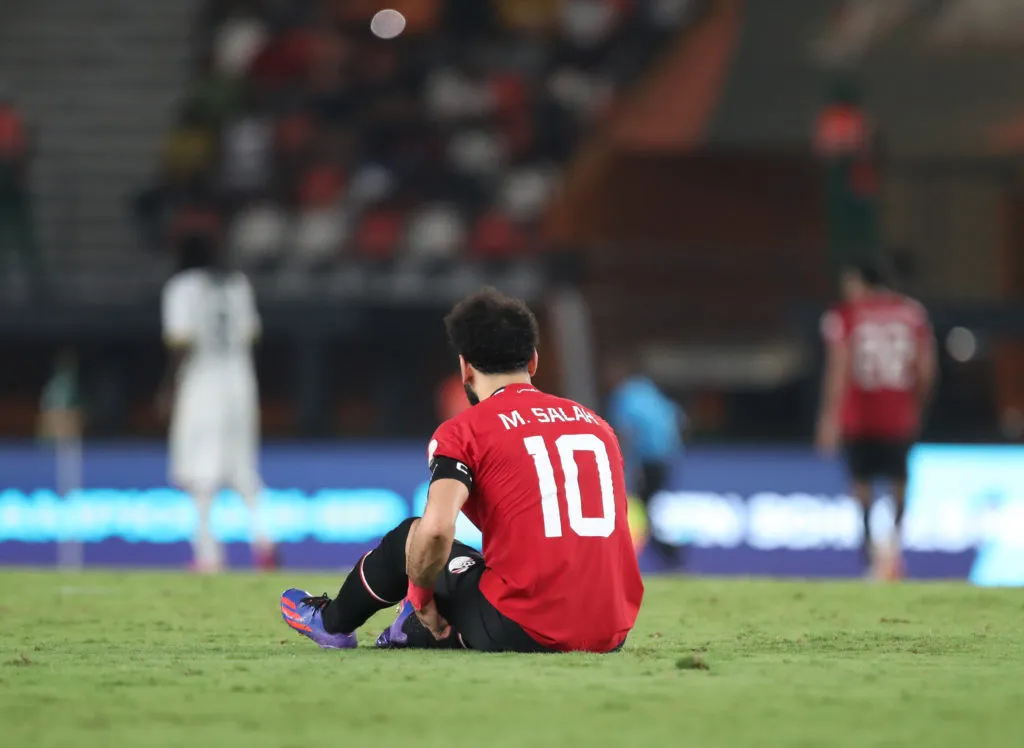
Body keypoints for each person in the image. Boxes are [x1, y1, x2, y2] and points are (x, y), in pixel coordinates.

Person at [280, 287, 643, 652]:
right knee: (476, 567)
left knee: (411, 537)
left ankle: (332, 623)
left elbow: (436, 531)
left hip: (525, 628)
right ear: (533, 361)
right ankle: (420, 631)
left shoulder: (465, 430)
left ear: (464, 367)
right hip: (612, 631)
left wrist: (419, 600)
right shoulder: (597, 425)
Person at [158, 235, 275, 572]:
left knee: (201, 471)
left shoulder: (182, 286)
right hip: (240, 383)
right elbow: (251, 334)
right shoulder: (237, 284)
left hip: (202, 383)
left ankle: (208, 552)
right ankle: (264, 541)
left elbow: (181, 341)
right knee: (242, 467)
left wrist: (167, 387)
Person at [816, 262, 936, 580]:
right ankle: (892, 551)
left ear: (862, 283)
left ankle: (873, 556)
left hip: (860, 414)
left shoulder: (845, 314)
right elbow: (926, 369)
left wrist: (830, 417)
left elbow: (839, 368)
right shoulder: (913, 313)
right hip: (899, 413)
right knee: (899, 484)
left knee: (862, 486)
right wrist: (916, 405)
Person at [605, 354, 686, 567]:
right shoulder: (650, 391)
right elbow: (678, 418)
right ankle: (669, 554)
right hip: (665, 459)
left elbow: (626, 432)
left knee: (639, 509)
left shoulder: (624, 395)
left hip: (646, 462)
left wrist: (624, 464)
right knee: (645, 509)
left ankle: (662, 554)